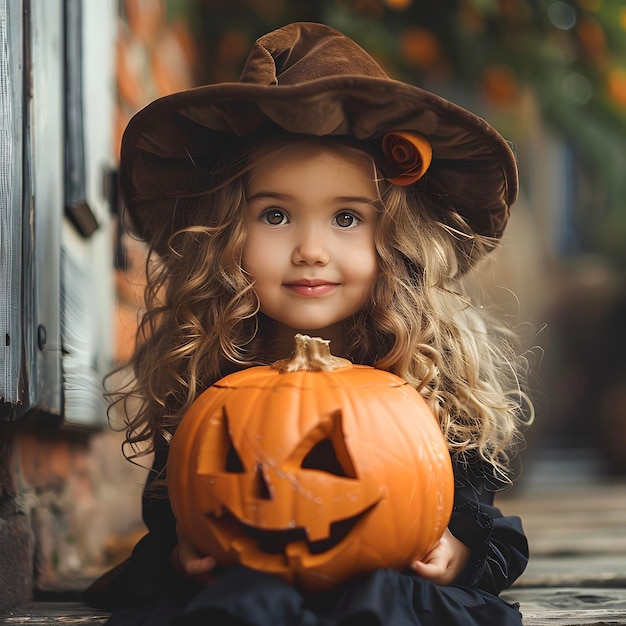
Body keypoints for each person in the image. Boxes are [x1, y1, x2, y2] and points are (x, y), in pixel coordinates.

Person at [85, 22, 532, 626]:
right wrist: (178, 553)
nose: (311, 249)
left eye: (346, 218)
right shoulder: (211, 375)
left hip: (386, 591)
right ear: (226, 235)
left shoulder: (427, 376)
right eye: (275, 215)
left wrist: (458, 556)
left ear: (396, 241)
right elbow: (177, 513)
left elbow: (492, 532)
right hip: (247, 587)